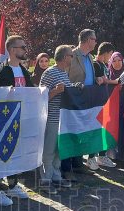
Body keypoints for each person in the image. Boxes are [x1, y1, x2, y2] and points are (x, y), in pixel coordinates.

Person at [0, 35, 33, 206]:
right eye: (22, 47)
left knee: (15, 153)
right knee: (0, 154)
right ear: (12, 50)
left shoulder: (22, 70)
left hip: (19, 119)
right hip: (3, 122)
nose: (25, 50)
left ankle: (13, 184)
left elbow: (31, 91)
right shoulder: (3, 70)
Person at [62, 29, 101, 179]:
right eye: (94, 39)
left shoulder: (90, 57)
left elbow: (88, 76)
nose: (96, 42)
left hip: (86, 100)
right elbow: (64, 75)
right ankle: (66, 168)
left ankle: (78, 164)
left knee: (82, 133)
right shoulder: (72, 54)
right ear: (87, 40)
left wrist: (96, 80)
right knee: (71, 133)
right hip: (72, 100)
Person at [39, 45, 74, 194]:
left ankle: (56, 175)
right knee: (48, 150)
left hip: (62, 119)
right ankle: (45, 180)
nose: (72, 58)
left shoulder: (64, 73)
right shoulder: (50, 73)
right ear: (65, 57)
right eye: (71, 55)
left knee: (59, 150)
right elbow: (40, 98)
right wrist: (54, 91)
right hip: (51, 118)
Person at [88, 42, 117, 168]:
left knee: (103, 129)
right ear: (105, 53)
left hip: (104, 101)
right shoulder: (95, 64)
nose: (110, 57)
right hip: (96, 103)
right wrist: (114, 81)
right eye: (110, 54)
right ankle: (90, 158)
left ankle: (102, 155)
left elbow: (104, 79)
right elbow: (101, 80)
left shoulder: (103, 65)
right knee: (95, 129)